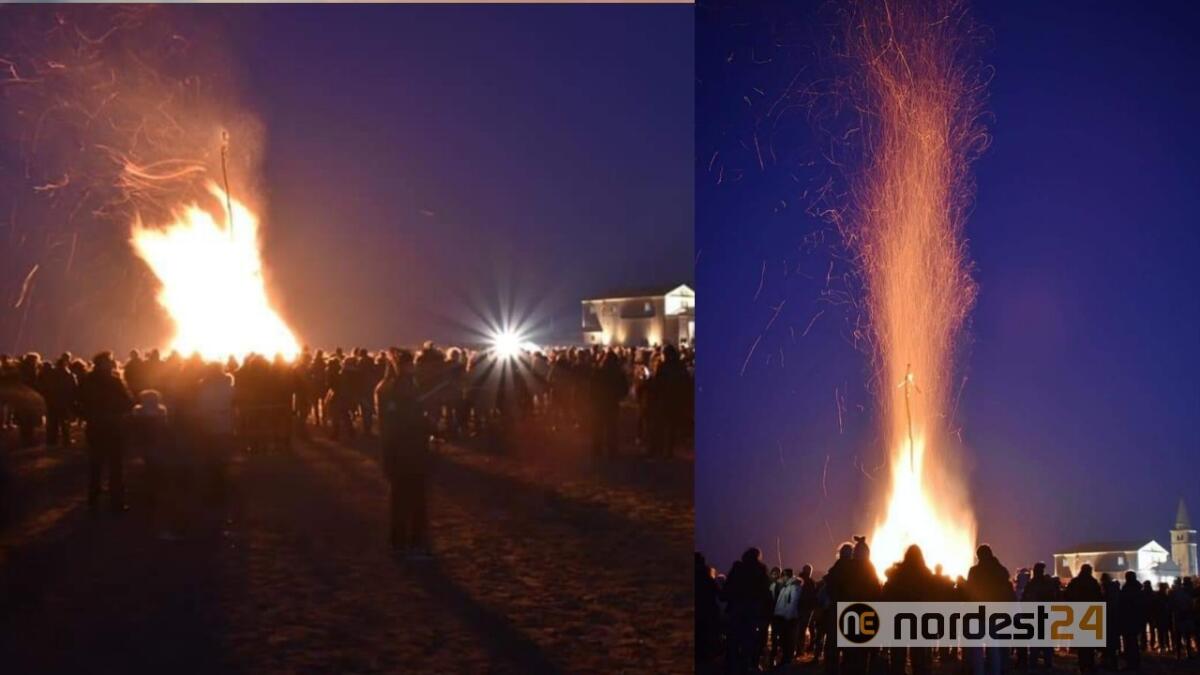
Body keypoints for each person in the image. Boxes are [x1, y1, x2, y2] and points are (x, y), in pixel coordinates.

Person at [376, 349, 432, 556]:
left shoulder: (389, 386)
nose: (413, 367)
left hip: (400, 450)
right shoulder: (399, 387)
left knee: (402, 498)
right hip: (406, 450)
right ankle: (412, 541)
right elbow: (404, 420)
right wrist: (426, 424)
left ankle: (402, 540)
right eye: (410, 364)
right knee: (411, 498)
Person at [77, 352, 133, 513]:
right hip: (112, 427)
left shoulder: (87, 381)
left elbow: (76, 401)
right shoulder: (114, 381)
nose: (112, 363)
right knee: (115, 466)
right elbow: (127, 402)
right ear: (103, 363)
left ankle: (93, 500)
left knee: (96, 464)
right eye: (109, 361)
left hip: (95, 427)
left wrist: (86, 415)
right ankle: (116, 502)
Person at [965, 544, 1011, 675]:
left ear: (978, 556)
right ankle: (995, 671)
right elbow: (1006, 590)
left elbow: (969, 591)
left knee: (977, 648)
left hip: (978, 612)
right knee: (994, 647)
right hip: (994, 613)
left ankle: (979, 671)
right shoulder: (1000, 570)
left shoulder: (974, 571)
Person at [1065, 564, 1103, 673]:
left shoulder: (1075, 582)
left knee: (1081, 642)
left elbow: (1067, 596)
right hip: (1091, 614)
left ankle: (1083, 664)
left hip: (1079, 613)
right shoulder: (1093, 583)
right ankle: (1089, 664)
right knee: (1090, 642)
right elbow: (1099, 598)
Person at [1021, 562, 1058, 670]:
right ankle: (1047, 664)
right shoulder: (1046, 584)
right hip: (1044, 616)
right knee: (1046, 643)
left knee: (1035, 644)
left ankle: (1034, 665)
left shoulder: (1031, 585)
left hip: (1035, 616)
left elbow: (1025, 601)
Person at [1119, 571, 1146, 670]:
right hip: (1136, 619)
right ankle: (1135, 662)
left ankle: (1131, 663)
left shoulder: (1127, 589)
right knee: (1133, 642)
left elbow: (1123, 604)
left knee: (1129, 642)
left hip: (1128, 619)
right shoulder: (1139, 589)